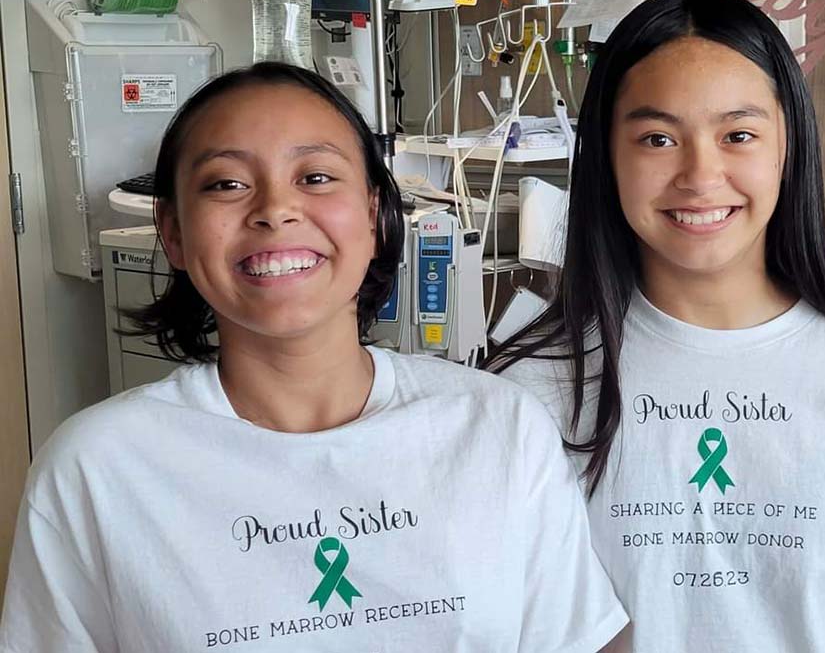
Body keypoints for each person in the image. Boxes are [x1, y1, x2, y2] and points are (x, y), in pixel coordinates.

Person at [0, 62, 627, 652]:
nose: (275, 209)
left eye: (316, 177)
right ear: (173, 234)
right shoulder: (96, 470)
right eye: (226, 184)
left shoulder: (498, 428)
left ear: (376, 212)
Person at [487, 0, 825, 651]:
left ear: (788, 145)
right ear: (607, 155)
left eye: (737, 135)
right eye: (657, 137)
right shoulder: (527, 393)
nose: (700, 174)